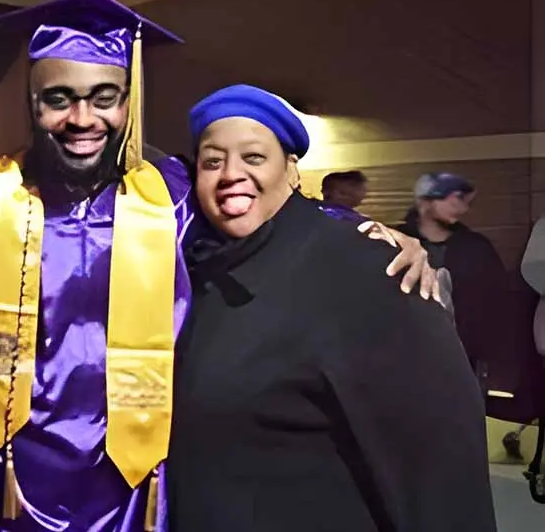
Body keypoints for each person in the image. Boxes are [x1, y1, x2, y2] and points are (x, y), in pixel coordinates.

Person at [0, 0, 436, 532]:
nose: (82, 119)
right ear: (32, 103)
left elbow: (272, 214)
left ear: (128, 100)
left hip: (135, 489)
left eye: (103, 96)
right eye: (58, 98)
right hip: (4, 485)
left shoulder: (172, 199)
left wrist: (374, 238)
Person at [166, 84, 495, 531]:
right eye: (212, 161)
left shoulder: (370, 270)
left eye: (254, 157)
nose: (230, 174)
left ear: (292, 170)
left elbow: (441, 460)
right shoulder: (196, 271)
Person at [395, 173, 520, 401]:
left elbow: (500, 306)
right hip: (406, 362)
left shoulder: (476, 247)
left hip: (467, 363)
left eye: (464, 201)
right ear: (425, 202)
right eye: (453, 199)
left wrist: (500, 364)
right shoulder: (395, 243)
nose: (461, 208)